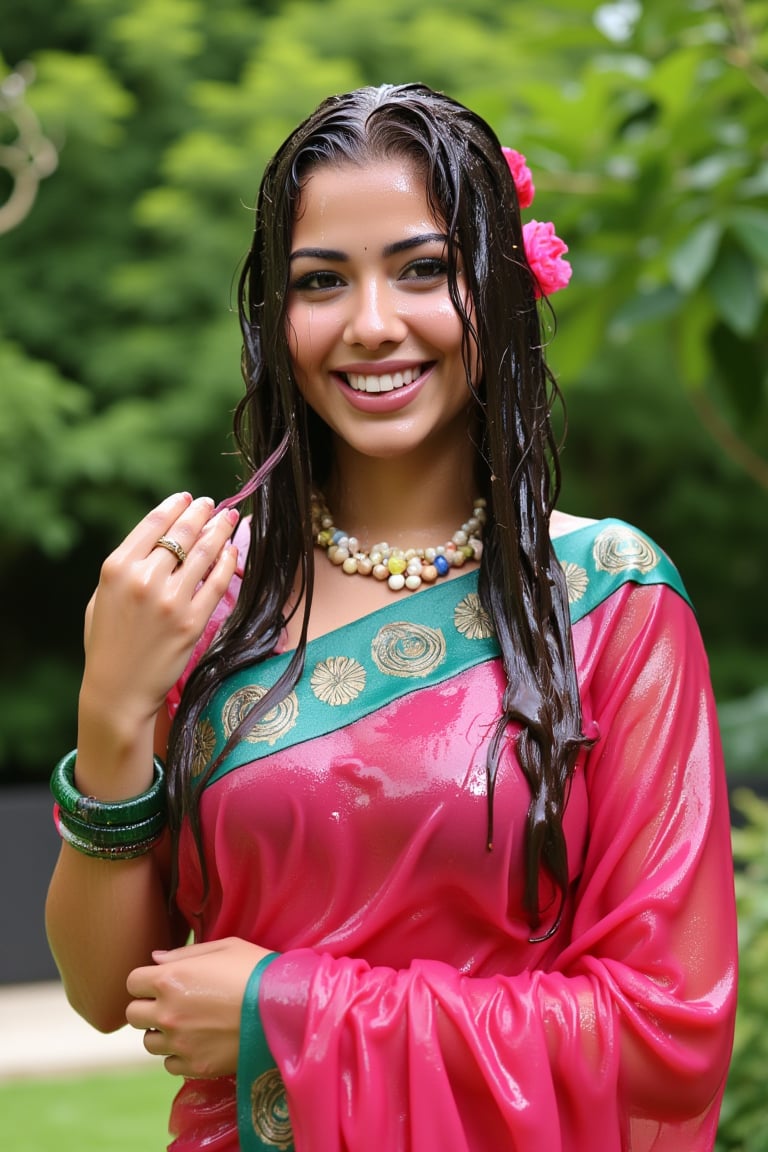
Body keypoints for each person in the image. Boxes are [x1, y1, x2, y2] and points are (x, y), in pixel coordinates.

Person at [45, 83, 737, 1151]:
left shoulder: (609, 602)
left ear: (499, 289)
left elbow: (666, 1029)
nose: (373, 325)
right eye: (323, 281)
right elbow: (107, 990)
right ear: (279, 318)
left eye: (422, 270)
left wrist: (288, 1009)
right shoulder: (207, 604)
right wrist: (110, 716)